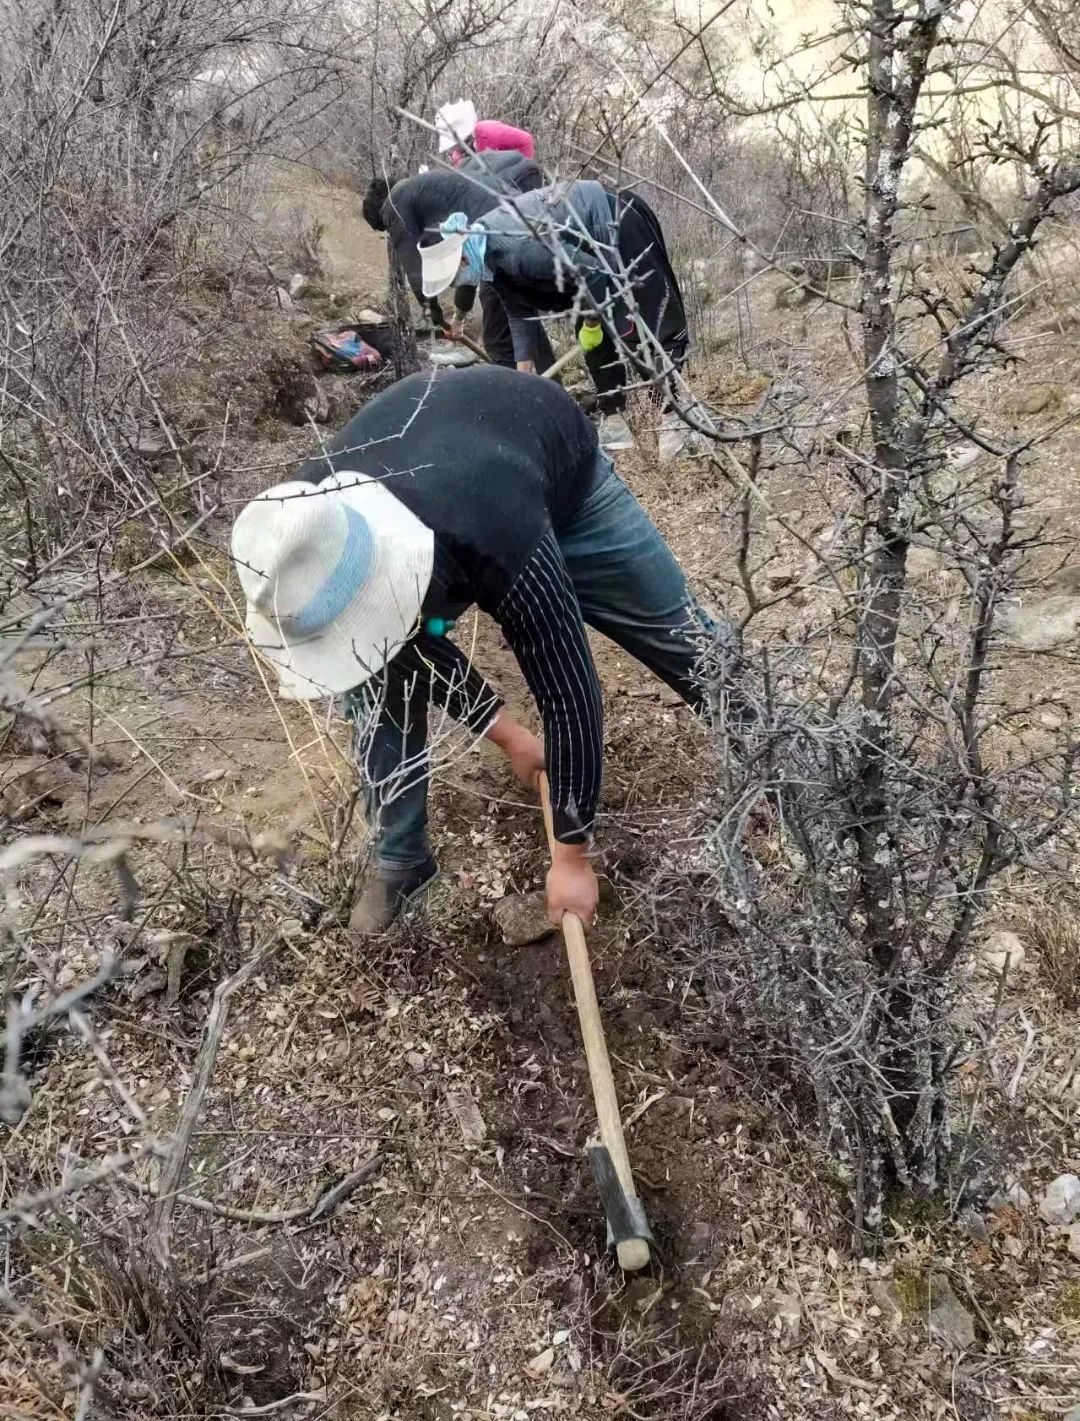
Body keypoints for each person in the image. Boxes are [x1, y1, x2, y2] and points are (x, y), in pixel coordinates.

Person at [231, 367, 726, 935]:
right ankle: (401, 861)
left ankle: (780, 749)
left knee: (684, 641)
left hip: (553, 475)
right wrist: (510, 737)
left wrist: (571, 853)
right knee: (378, 676)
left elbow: (567, 687)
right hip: (449, 487)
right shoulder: (299, 538)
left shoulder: (488, 521)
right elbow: (412, 647)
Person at [419, 179, 689, 451]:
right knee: (593, 330)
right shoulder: (484, 252)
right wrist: (523, 372)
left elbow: (592, 272)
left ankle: (674, 419)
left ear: (463, 260)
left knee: (640, 323)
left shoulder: (519, 250)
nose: (459, 284)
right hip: (586, 255)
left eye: (456, 279)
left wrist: (594, 323)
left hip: (613, 220)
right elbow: (518, 311)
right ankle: (616, 419)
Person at [363, 150, 555, 371]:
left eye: (385, 228)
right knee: (522, 319)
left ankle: (519, 395)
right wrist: (458, 319)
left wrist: (434, 315)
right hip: (519, 214)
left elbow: (417, 274)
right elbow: (468, 267)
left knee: (498, 337)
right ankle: (550, 389)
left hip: (499, 231)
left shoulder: (394, 206)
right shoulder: (422, 192)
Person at [434, 98, 535, 165]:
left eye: (455, 146)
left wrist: (523, 172)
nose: (453, 150)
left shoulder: (489, 131)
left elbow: (525, 140)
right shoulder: (457, 155)